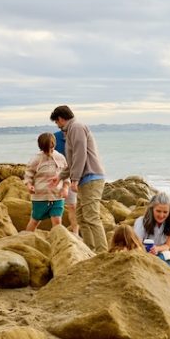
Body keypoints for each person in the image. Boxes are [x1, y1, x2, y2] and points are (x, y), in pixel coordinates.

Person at [51, 105, 107, 253]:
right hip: (85, 179)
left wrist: (74, 180)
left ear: (61, 119)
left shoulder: (76, 127)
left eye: (56, 122)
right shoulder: (71, 130)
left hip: (91, 178)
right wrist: (60, 176)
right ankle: (90, 250)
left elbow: (80, 155)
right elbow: (73, 160)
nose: (57, 125)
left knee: (92, 217)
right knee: (81, 217)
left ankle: (102, 252)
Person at [22, 132, 69, 232]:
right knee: (35, 221)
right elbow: (28, 175)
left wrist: (65, 188)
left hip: (57, 196)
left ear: (54, 145)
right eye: (46, 149)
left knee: (57, 221)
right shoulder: (36, 159)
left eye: (51, 148)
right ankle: (26, 237)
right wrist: (29, 186)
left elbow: (66, 175)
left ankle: (57, 240)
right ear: (41, 147)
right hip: (40, 197)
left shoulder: (60, 158)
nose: (49, 152)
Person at [53, 128, 79, 234]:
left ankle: (76, 233)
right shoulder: (55, 137)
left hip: (72, 176)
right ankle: (58, 232)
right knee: (56, 206)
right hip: (57, 176)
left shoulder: (77, 137)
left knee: (72, 206)